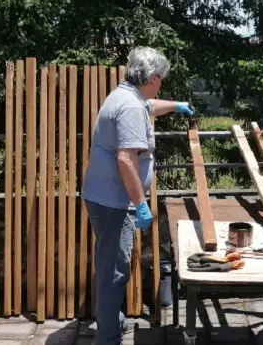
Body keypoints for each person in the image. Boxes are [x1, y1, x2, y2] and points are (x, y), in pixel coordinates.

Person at [82, 46, 194, 345]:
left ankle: (112, 324)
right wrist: (141, 204)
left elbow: (150, 106)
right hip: (114, 201)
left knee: (112, 264)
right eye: (162, 79)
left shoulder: (126, 96)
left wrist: (175, 105)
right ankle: (107, 339)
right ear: (153, 77)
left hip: (106, 197)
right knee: (114, 272)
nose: (162, 83)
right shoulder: (131, 106)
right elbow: (126, 159)